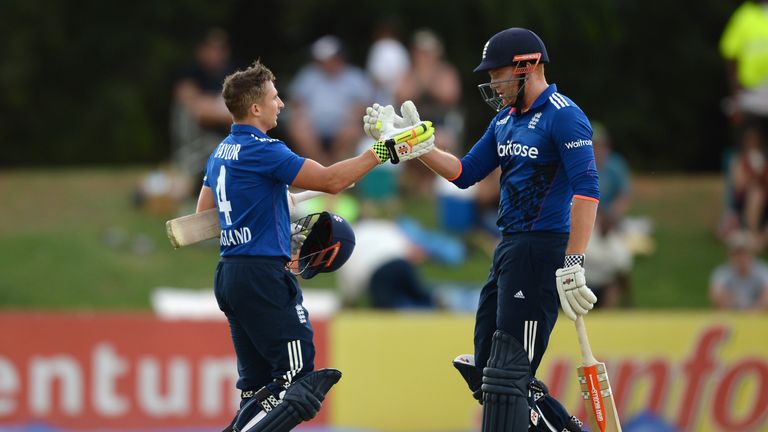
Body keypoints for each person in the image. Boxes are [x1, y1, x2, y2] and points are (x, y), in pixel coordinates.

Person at [366, 28, 598, 431]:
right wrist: (415, 146)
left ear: (527, 66)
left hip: (542, 250)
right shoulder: (504, 121)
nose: (492, 82)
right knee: (489, 368)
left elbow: (588, 192)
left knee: (509, 373)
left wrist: (574, 261)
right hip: (508, 247)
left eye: (497, 72)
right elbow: (464, 173)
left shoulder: (564, 115)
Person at [195, 60, 434, 430]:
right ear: (255, 108)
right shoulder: (266, 150)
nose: (282, 104)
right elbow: (332, 181)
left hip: (229, 273)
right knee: (298, 383)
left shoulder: (220, 153)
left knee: (257, 388)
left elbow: (204, 217)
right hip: (263, 276)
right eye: (275, 97)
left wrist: (270, 211)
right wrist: (387, 150)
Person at [287, 35, 374, 166]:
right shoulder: (308, 75)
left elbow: (364, 105)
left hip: (344, 126)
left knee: (352, 131)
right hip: (312, 127)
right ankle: (321, 169)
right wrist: (301, 117)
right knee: (298, 129)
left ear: (339, 57)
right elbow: (296, 103)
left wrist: (351, 117)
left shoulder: (354, 77)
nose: (324, 63)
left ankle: (334, 169)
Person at [171, 28, 237, 180]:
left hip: (221, 144)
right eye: (212, 48)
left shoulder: (231, 75)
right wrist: (239, 113)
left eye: (221, 48)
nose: (217, 53)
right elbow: (199, 111)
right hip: (196, 150)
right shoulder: (190, 74)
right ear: (201, 50)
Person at [336, 218, 436, 309]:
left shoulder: (348, 240)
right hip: (400, 263)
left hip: (375, 273)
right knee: (420, 296)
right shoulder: (382, 226)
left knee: (385, 311)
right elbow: (409, 247)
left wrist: (350, 300)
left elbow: (348, 281)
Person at [710, 230, 768, 310]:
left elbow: (766, 297)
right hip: (732, 315)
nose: (741, 257)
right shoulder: (722, 273)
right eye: (737, 253)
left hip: (757, 317)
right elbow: (717, 295)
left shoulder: (763, 271)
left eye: (744, 252)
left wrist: (752, 313)